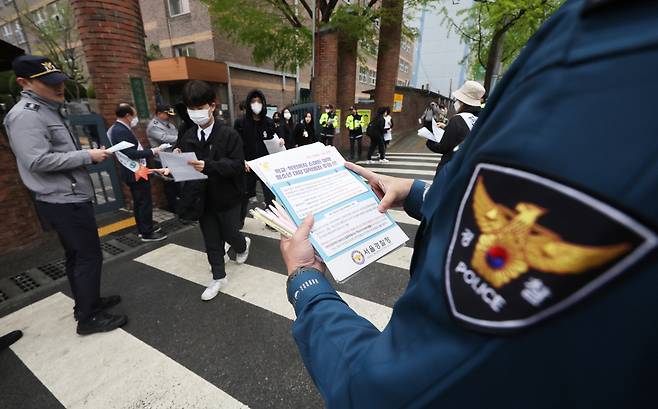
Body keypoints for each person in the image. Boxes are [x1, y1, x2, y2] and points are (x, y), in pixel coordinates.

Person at [279, 1, 658, 407]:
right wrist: (420, 194)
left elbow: (392, 392)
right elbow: (488, 195)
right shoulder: (604, 35)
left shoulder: (614, 57)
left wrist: (307, 280)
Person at [3, 55, 126, 335]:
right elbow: (37, 161)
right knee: (87, 257)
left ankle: (88, 302)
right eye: (49, 83)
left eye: (59, 81)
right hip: (62, 199)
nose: (59, 88)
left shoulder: (48, 110)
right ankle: (88, 317)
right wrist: (86, 155)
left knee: (78, 256)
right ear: (24, 83)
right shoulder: (26, 115)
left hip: (68, 196)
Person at [177, 80, 251, 301]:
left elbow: (237, 165)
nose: (195, 113)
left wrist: (209, 166)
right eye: (191, 108)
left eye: (199, 108)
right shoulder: (188, 136)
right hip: (202, 198)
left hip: (228, 197)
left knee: (229, 232)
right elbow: (185, 165)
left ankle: (241, 244)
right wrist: (171, 167)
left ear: (212, 106)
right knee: (211, 239)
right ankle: (218, 276)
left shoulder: (228, 134)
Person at [108, 103, 167, 242]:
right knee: (144, 202)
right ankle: (147, 233)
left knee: (140, 202)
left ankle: (144, 228)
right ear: (128, 116)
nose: (135, 118)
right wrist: (154, 150)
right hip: (134, 171)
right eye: (134, 115)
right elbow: (131, 153)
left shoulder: (118, 128)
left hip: (134, 171)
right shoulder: (120, 130)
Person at [235, 90, 277, 222]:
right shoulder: (240, 123)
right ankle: (239, 221)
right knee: (243, 194)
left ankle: (272, 222)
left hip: (265, 165)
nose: (256, 104)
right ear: (248, 104)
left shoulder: (269, 123)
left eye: (259, 101)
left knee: (270, 196)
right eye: (253, 101)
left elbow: (274, 142)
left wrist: (280, 141)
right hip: (248, 165)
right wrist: (242, 161)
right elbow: (236, 145)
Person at [426, 80, 485, 173]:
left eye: (458, 100)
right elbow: (465, 133)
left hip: (452, 170)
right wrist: (446, 127)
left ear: (463, 102)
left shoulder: (457, 120)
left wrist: (429, 138)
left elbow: (442, 147)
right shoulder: (484, 118)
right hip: (471, 168)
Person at [146, 104, 179, 212]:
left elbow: (175, 134)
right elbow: (165, 138)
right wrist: (180, 138)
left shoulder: (169, 124)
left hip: (173, 157)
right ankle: (173, 207)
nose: (169, 116)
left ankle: (179, 204)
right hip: (162, 159)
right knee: (169, 184)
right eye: (166, 114)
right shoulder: (154, 126)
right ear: (159, 114)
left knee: (177, 183)